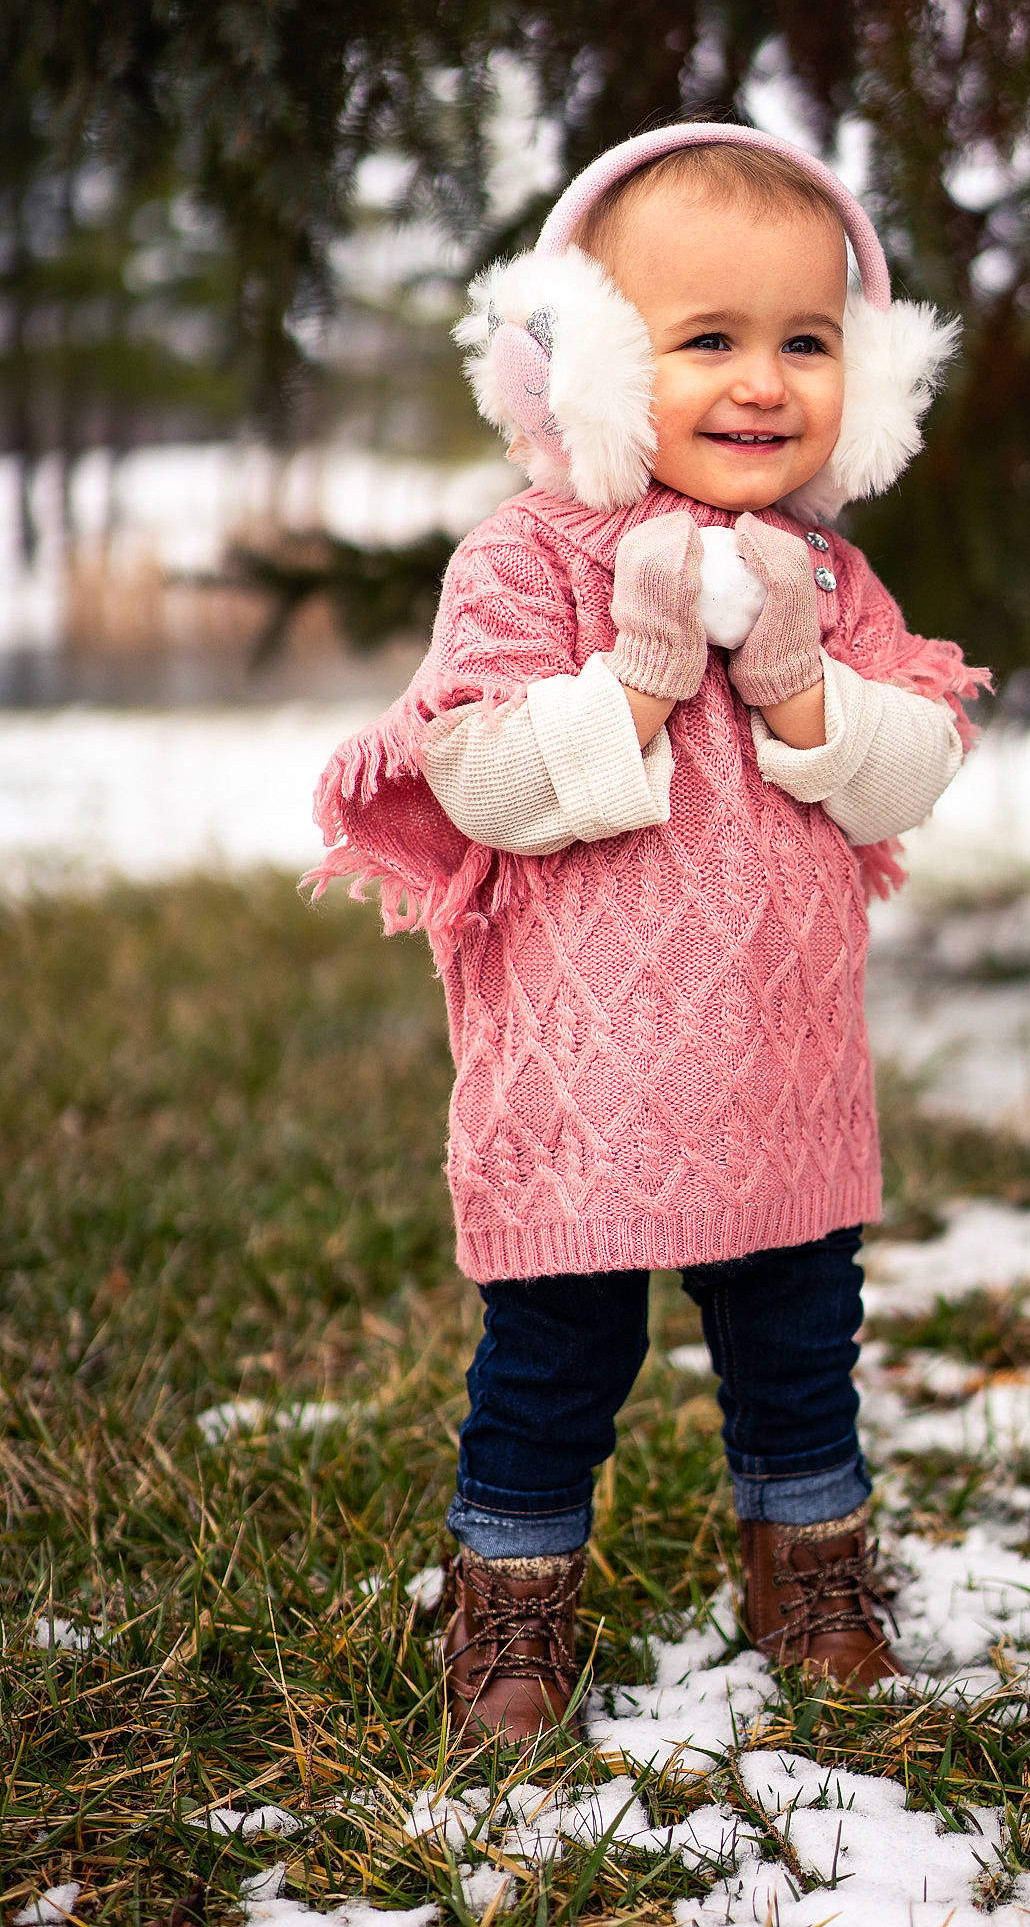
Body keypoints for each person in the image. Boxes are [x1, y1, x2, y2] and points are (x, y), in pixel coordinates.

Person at [307, 123, 989, 1745]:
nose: (763, 383)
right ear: (589, 367)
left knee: (799, 1337)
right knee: (554, 1350)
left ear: (864, 376)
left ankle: (807, 1565)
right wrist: (638, 676)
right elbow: (474, 774)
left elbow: (915, 766)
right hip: (587, 1073)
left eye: (805, 342)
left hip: (781, 1060)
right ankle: (515, 1595)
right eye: (707, 340)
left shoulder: (829, 571)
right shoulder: (525, 558)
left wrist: (801, 683)